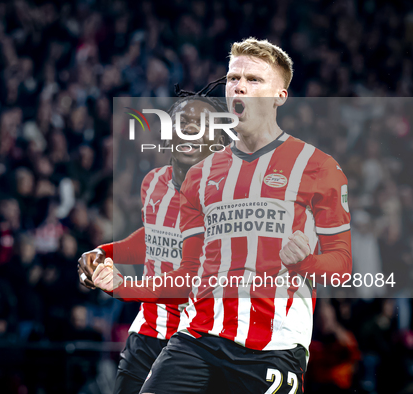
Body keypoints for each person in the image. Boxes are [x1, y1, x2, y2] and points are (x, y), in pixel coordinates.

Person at [93, 38, 352, 393]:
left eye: (254, 80)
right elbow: (186, 274)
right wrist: (123, 285)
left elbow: (341, 266)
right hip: (198, 337)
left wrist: (306, 262)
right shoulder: (200, 177)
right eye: (234, 78)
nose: (240, 86)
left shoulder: (318, 168)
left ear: (280, 96)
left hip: (272, 348)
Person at [78, 82, 228, 394]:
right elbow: (155, 240)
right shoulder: (154, 182)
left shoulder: (224, 197)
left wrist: (123, 288)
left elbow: (187, 278)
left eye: (201, 126)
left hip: (198, 341)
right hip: (147, 332)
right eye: (182, 123)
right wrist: (105, 252)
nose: (189, 130)